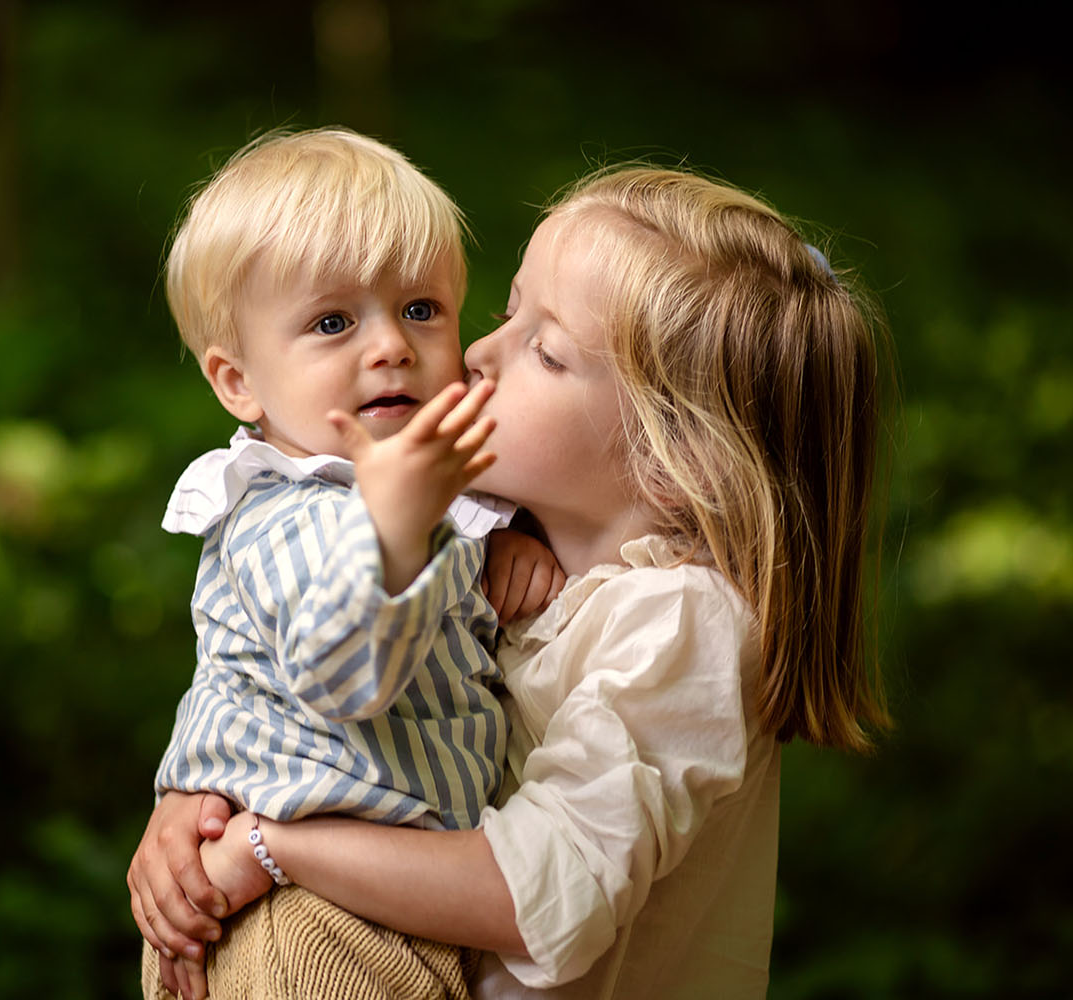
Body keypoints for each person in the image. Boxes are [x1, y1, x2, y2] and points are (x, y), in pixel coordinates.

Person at [130, 164, 891, 999]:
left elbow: (539, 899)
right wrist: (199, 798)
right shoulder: (490, 546)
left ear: (677, 462)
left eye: (546, 351)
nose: (479, 353)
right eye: (504, 312)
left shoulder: (680, 622)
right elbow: (282, 674)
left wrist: (270, 842)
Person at [142, 127, 564, 999]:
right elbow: (344, 676)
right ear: (237, 383)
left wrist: (497, 541)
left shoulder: (427, 500)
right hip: (299, 919)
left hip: (388, 902)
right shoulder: (285, 512)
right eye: (332, 322)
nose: (390, 347)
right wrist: (402, 533)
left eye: (421, 309)